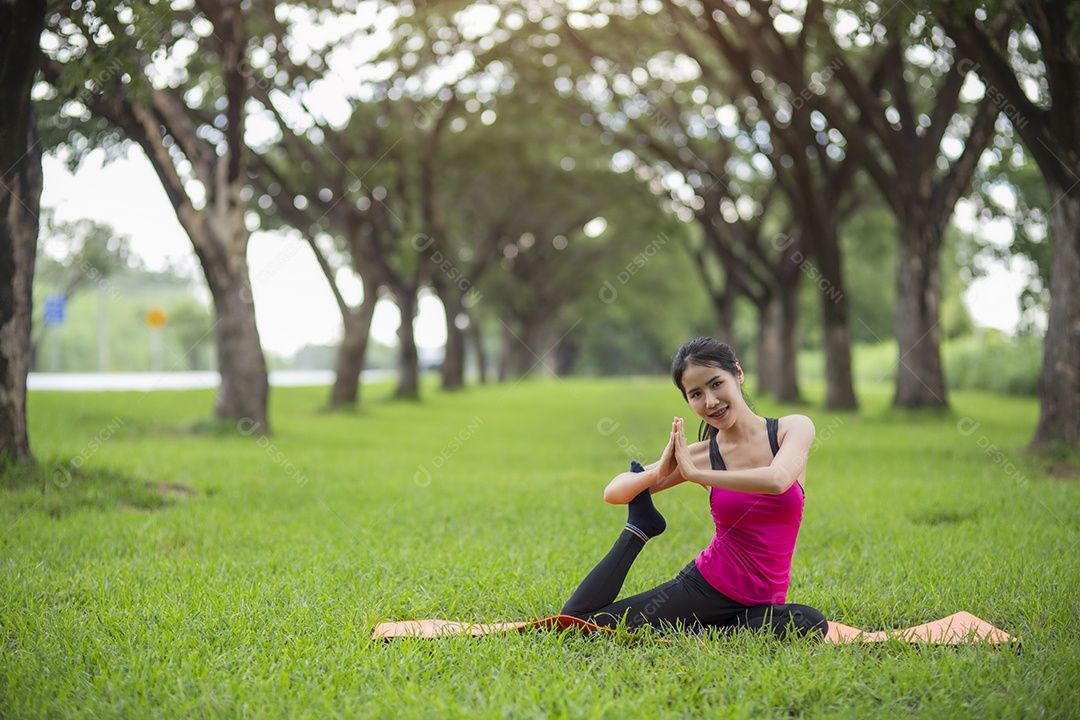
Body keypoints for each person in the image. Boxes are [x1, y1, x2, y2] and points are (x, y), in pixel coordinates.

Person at [560, 337, 828, 639]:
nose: (710, 401)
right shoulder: (702, 456)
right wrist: (660, 472)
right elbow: (614, 492)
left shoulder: (791, 429)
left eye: (716, 384)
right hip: (706, 588)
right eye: (696, 394)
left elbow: (778, 480)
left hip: (762, 604)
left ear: (738, 374)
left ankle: (703, 634)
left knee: (809, 622)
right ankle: (640, 528)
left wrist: (697, 474)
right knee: (580, 622)